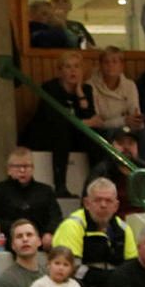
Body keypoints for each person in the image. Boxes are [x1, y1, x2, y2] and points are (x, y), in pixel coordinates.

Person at [50, 178, 137, 287]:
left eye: (108, 201)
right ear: (87, 203)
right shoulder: (73, 225)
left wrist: (112, 283)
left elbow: (132, 266)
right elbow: (70, 267)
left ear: (116, 205)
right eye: (97, 200)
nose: (103, 205)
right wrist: (107, 281)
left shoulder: (123, 228)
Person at [20, 51, 101, 198]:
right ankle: (60, 186)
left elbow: (92, 118)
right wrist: (84, 122)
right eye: (68, 67)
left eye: (76, 67)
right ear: (60, 70)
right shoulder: (50, 88)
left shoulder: (86, 90)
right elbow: (54, 119)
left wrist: (80, 93)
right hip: (45, 135)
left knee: (95, 137)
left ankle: (96, 183)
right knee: (61, 131)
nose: (73, 71)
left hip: (72, 134)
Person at [0, 148, 60, 248]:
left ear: (33, 168)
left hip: (41, 241)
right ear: (8, 169)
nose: (22, 170)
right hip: (8, 240)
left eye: (26, 166)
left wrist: (49, 233)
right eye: (17, 166)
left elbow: (56, 217)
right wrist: (16, 229)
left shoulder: (46, 191)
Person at [91, 47, 145, 165]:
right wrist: (124, 120)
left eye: (115, 61)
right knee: (110, 136)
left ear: (121, 66)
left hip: (127, 127)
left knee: (144, 135)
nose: (110, 65)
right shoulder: (91, 86)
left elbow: (134, 112)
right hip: (105, 130)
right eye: (106, 62)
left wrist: (137, 120)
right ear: (100, 65)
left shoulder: (130, 85)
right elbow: (98, 122)